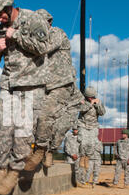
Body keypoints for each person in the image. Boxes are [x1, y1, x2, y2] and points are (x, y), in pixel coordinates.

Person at [0, 0, 60, 195]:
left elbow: (44, 46)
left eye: (0, 13)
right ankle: (1, 169)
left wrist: (16, 35)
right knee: (4, 128)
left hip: (31, 84)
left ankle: (15, 172)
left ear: (9, 5)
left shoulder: (33, 19)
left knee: (23, 133)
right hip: (8, 84)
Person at [23, 18, 84, 171]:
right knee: (35, 120)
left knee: (54, 123)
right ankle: (36, 150)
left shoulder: (57, 33)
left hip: (61, 84)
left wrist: (19, 37)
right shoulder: (36, 41)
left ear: (49, 23)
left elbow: (43, 48)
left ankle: (47, 150)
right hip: (45, 86)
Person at [77, 86, 106, 170]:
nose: (91, 98)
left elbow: (102, 113)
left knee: (92, 144)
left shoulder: (98, 102)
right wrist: (91, 104)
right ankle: (82, 156)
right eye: (90, 97)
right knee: (83, 143)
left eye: (93, 97)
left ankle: (87, 157)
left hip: (93, 126)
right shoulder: (82, 101)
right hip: (83, 125)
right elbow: (81, 110)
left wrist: (98, 105)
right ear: (86, 96)